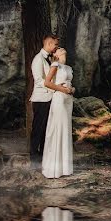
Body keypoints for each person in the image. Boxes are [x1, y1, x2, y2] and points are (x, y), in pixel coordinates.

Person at [30, 34, 64, 168]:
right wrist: (57, 88)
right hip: (41, 99)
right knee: (38, 128)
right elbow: (39, 81)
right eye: (55, 44)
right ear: (49, 44)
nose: (57, 47)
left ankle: (44, 157)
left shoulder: (51, 58)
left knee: (46, 129)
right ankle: (33, 159)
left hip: (50, 98)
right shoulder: (38, 59)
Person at [41, 48, 75, 179]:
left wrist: (72, 89)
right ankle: (53, 169)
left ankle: (64, 168)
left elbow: (70, 84)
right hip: (59, 99)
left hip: (68, 99)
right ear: (55, 54)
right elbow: (47, 82)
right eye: (58, 49)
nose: (61, 49)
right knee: (58, 129)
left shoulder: (69, 68)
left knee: (66, 130)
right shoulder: (55, 65)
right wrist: (62, 89)